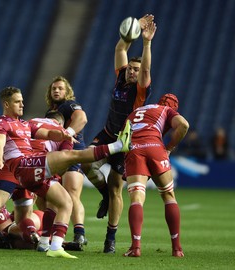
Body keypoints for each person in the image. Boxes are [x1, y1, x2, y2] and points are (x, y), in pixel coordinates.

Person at [0, 86, 132, 259]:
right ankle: (117, 146)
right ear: (6, 104)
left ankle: (51, 246)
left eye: (22, 101)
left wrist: (62, 135)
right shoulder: (2, 122)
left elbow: (47, 133)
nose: (22, 104)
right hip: (22, 165)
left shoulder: (26, 124)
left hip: (24, 170)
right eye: (17, 101)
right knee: (72, 156)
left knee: (64, 202)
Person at [81, 14, 156, 254]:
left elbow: (146, 68)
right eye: (130, 69)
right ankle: (104, 195)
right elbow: (120, 47)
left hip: (125, 144)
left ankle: (110, 239)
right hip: (107, 133)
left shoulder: (140, 90)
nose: (133, 72)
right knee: (85, 163)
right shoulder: (120, 78)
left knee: (116, 188)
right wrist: (130, 32)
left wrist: (146, 42)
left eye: (136, 69)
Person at [123, 93, 188, 257]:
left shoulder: (136, 112)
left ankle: (135, 247)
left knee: (137, 198)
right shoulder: (167, 110)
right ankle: (177, 249)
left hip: (134, 149)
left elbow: (124, 136)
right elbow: (184, 125)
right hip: (155, 147)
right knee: (168, 196)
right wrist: (170, 147)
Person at [45, 76, 88, 246]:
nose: (56, 91)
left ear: (67, 92)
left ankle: (79, 234)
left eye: (60, 88)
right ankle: (50, 233)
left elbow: (82, 118)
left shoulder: (69, 105)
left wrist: (68, 133)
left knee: (71, 193)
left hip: (73, 153)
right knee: (51, 195)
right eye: (54, 88)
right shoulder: (52, 110)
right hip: (57, 155)